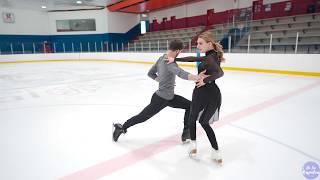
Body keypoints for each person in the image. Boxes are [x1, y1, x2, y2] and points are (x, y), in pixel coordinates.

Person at [112, 40, 205, 143]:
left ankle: (186, 133)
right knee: (142, 117)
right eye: (180, 51)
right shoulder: (170, 62)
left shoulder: (161, 58)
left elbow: (150, 73)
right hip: (161, 99)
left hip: (169, 97)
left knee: (190, 106)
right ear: (178, 50)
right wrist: (196, 77)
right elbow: (180, 73)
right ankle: (121, 127)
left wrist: (160, 80)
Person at [167, 31, 224, 163]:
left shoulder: (210, 57)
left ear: (209, 43)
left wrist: (206, 80)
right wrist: (175, 59)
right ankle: (216, 152)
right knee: (203, 122)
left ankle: (193, 145)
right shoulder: (212, 55)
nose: (198, 46)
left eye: (200, 43)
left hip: (202, 91)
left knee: (192, 118)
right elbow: (194, 58)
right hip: (213, 93)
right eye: (197, 43)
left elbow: (220, 73)